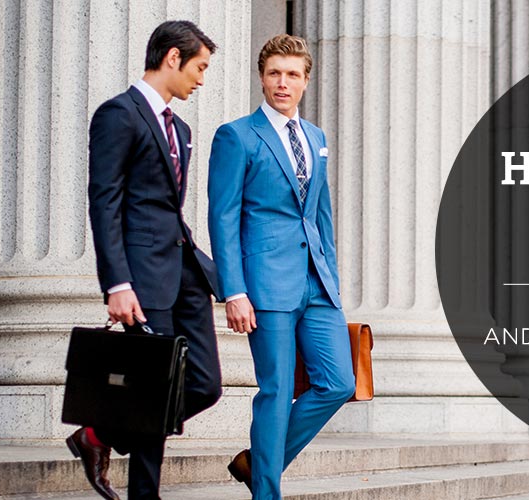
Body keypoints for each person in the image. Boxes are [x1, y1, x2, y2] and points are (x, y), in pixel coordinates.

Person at [72, 20, 222, 500]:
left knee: (205, 384)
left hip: (185, 271)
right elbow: (105, 202)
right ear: (173, 58)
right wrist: (117, 283)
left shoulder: (181, 127)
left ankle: (96, 436)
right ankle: (144, 495)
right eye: (198, 67)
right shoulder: (118, 114)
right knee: (153, 387)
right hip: (142, 275)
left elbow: (166, 204)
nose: (201, 79)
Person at [208, 34, 356, 498]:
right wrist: (234, 290)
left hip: (317, 284)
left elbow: (321, 212)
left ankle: (258, 462)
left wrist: (330, 274)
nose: (282, 83)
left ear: (306, 81)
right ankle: (266, 492)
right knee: (275, 392)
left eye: (292, 74)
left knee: (338, 383)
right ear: (262, 77)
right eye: (274, 73)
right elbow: (223, 216)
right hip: (265, 284)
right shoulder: (236, 135)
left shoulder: (316, 138)